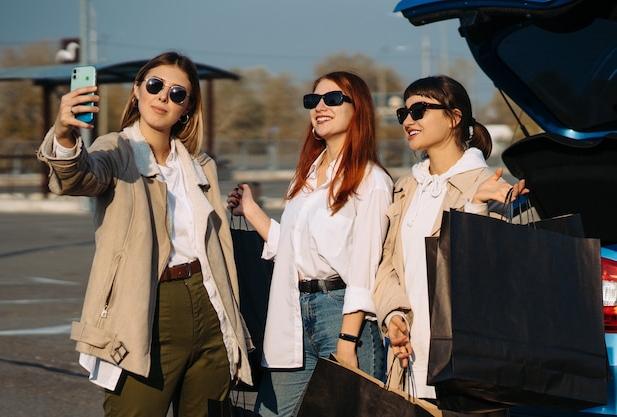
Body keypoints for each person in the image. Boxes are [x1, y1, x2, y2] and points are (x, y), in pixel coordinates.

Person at [36, 51, 252, 417]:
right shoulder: (117, 150)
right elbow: (79, 176)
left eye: (177, 93)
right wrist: (64, 132)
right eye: (155, 85)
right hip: (148, 310)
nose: (163, 96)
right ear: (137, 91)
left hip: (210, 304)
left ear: (187, 108)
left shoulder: (200, 167)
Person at [227, 71, 393, 417]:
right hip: (293, 311)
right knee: (271, 413)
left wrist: (348, 341)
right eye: (312, 100)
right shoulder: (304, 176)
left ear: (357, 108)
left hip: (343, 314)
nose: (320, 106)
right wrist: (252, 211)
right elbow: (292, 250)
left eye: (332, 99)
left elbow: (364, 267)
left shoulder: (371, 180)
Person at [372, 75, 528, 408]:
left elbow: (489, 275)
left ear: (454, 118)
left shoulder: (489, 184)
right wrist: (393, 315)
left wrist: (477, 205)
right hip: (409, 360)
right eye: (404, 114)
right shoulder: (406, 186)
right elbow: (388, 263)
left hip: (469, 363)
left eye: (419, 110)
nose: (408, 121)